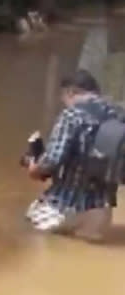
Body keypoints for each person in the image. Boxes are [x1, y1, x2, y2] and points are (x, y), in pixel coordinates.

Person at [25, 69, 125, 242]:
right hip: (101, 213)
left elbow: (52, 160)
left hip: (63, 209)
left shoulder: (71, 115)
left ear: (70, 92)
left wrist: (34, 168)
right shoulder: (118, 114)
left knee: (24, 229)